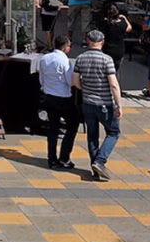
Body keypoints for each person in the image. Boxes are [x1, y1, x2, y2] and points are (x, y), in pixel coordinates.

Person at [72, 30, 122, 182]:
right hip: (105, 104)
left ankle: (95, 168)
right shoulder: (107, 59)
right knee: (113, 132)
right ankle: (100, 161)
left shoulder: (80, 58)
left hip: (87, 103)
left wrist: (85, 89)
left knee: (92, 136)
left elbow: (75, 81)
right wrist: (119, 104)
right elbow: (113, 84)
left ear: (88, 41)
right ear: (102, 41)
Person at [39, 35, 79, 170]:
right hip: (63, 97)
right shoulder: (65, 61)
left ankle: (52, 159)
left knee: (53, 128)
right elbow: (70, 81)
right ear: (65, 47)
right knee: (73, 125)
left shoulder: (45, 58)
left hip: (49, 96)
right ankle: (64, 157)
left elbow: (41, 78)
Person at [100, 4, 132, 71]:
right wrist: (125, 18)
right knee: (115, 69)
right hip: (119, 50)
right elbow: (129, 28)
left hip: (107, 49)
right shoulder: (122, 24)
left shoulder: (105, 23)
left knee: (105, 68)